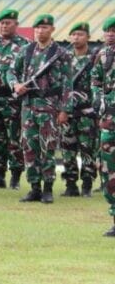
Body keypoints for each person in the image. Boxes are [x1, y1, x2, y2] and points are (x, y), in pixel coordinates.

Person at [7, 14, 72, 204]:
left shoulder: (61, 53)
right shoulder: (26, 50)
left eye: (44, 28)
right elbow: (10, 71)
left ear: (52, 29)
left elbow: (67, 84)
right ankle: (34, 187)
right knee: (29, 147)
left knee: (48, 147)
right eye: (37, 28)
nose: (40, 31)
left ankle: (48, 188)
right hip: (29, 105)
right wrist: (15, 85)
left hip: (50, 106)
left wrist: (65, 110)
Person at [0, 9, 30, 189]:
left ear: (16, 24)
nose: (4, 26)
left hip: (14, 99)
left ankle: (15, 177)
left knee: (15, 139)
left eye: (8, 23)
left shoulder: (25, 45)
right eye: (2, 23)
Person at [60, 22, 98, 197]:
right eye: (73, 34)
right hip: (67, 112)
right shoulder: (64, 58)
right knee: (67, 149)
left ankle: (87, 185)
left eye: (80, 34)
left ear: (88, 37)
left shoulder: (95, 58)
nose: (76, 37)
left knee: (87, 149)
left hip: (87, 112)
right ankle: (70, 185)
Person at [91, 17, 115, 236]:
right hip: (109, 120)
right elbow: (96, 81)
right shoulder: (103, 54)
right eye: (107, 30)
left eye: (114, 31)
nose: (110, 34)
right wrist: (98, 98)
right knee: (108, 168)